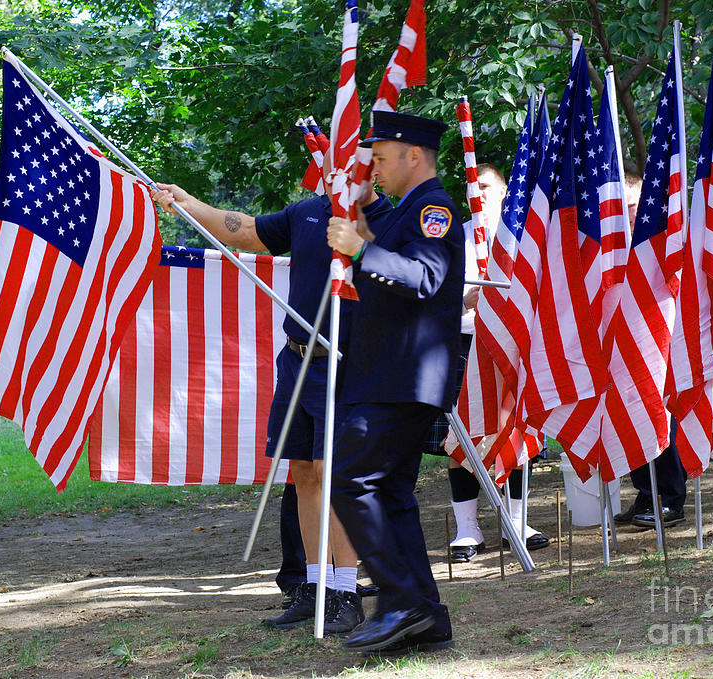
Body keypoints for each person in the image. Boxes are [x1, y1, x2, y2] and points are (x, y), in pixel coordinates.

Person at [151, 153, 391, 634]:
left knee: (339, 477)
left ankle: (345, 592)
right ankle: (315, 585)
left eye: (350, 164)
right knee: (303, 470)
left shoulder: (388, 219)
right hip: (298, 357)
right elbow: (243, 229)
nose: (337, 173)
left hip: (351, 363)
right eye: (332, 163)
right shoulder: (304, 212)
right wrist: (185, 202)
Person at [325, 110, 463, 654]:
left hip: (399, 379)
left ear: (413, 155)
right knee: (391, 494)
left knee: (351, 479)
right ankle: (426, 617)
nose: (373, 167)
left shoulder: (434, 208)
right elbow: (395, 237)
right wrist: (367, 210)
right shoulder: (407, 210)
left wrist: (360, 250)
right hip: (389, 375)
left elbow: (424, 275)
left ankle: (400, 598)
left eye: (380, 158)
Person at [437, 163, 550, 562]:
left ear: (505, 191)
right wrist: (463, 301)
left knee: (518, 433)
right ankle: (468, 530)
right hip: (464, 342)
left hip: (516, 347)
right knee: (461, 439)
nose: (479, 192)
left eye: (487, 186)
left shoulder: (527, 237)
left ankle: (515, 522)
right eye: (473, 186)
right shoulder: (452, 239)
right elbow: (430, 298)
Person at [611, 173, 687, 529]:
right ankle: (645, 490)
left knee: (659, 412)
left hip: (660, 337)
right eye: (621, 206)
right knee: (630, 411)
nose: (628, 213)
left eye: (633, 205)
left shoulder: (661, 238)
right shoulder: (611, 245)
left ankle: (671, 495)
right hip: (624, 339)